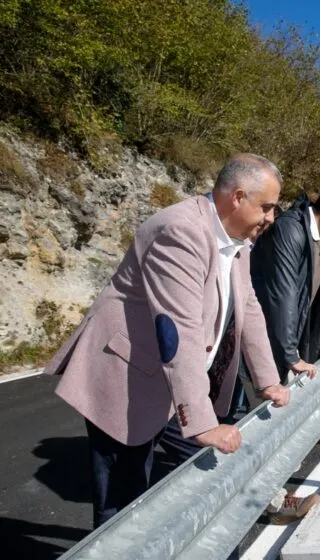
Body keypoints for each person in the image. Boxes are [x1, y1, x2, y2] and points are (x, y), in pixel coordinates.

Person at [46, 154, 292, 528]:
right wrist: (204, 422)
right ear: (238, 197)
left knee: (208, 470)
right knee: (122, 506)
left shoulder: (236, 240)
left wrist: (268, 379)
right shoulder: (181, 231)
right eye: (268, 207)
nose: (271, 218)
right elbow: (179, 328)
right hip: (124, 376)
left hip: (174, 381)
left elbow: (249, 306)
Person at [250, 178, 320, 518]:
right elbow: (281, 297)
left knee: (273, 422)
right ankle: (270, 503)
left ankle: (267, 493)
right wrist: (289, 355)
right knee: (266, 422)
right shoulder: (291, 230)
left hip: (288, 340)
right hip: (264, 340)